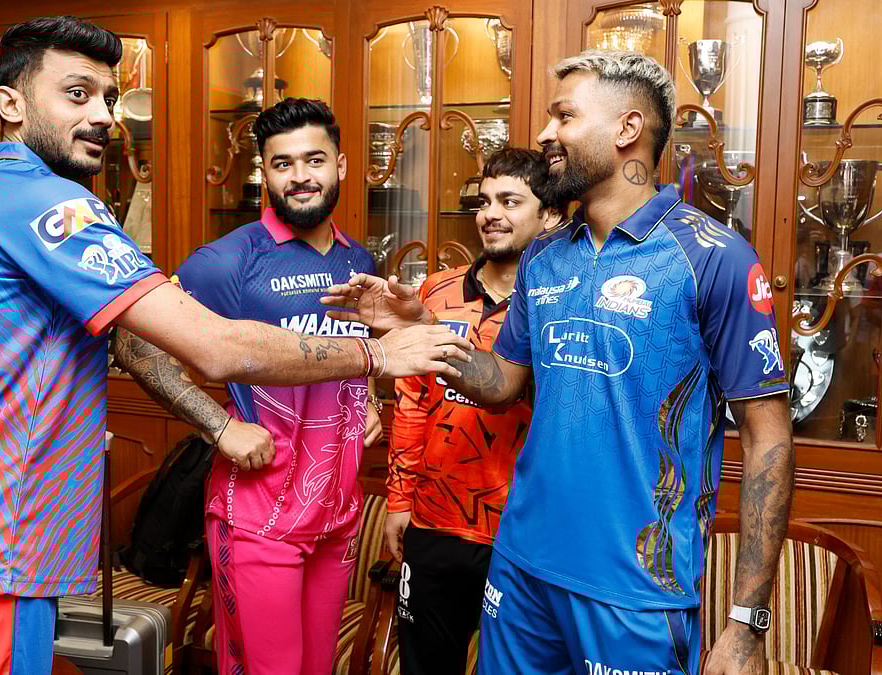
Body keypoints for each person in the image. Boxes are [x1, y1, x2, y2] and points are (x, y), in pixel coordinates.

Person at [0, 17, 472, 675]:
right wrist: (380, 356)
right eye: (75, 94)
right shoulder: (44, 204)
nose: (101, 116)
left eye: (107, 97)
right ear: (9, 104)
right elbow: (212, 347)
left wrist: (226, 418)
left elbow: (131, 340)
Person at [324, 50, 794, 675]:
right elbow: (501, 383)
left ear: (627, 129)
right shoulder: (545, 259)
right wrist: (425, 331)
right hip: (521, 569)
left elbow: (769, 442)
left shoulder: (712, 257)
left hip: (634, 590)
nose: (546, 134)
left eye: (565, 117)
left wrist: (746, 624)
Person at [139, 96, 380, 675]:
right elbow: (139, 347)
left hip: (336, 513)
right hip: (258, 515)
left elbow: (353, 354)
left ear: (342, 166)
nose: (300, 177)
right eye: (282, 163)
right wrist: (220, 426)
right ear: (264, 173)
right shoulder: (226, 263)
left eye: (314, 160)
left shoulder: (359, 260)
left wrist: (367, 400)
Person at [385, 147, 560, 674]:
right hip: (436, 522)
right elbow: (413, 400)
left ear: (548, 215)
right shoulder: (435, 292)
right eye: (484, 201)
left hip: (523, 530)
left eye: (510, 200)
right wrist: (399, 500)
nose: (490, 214)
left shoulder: (562, 298)